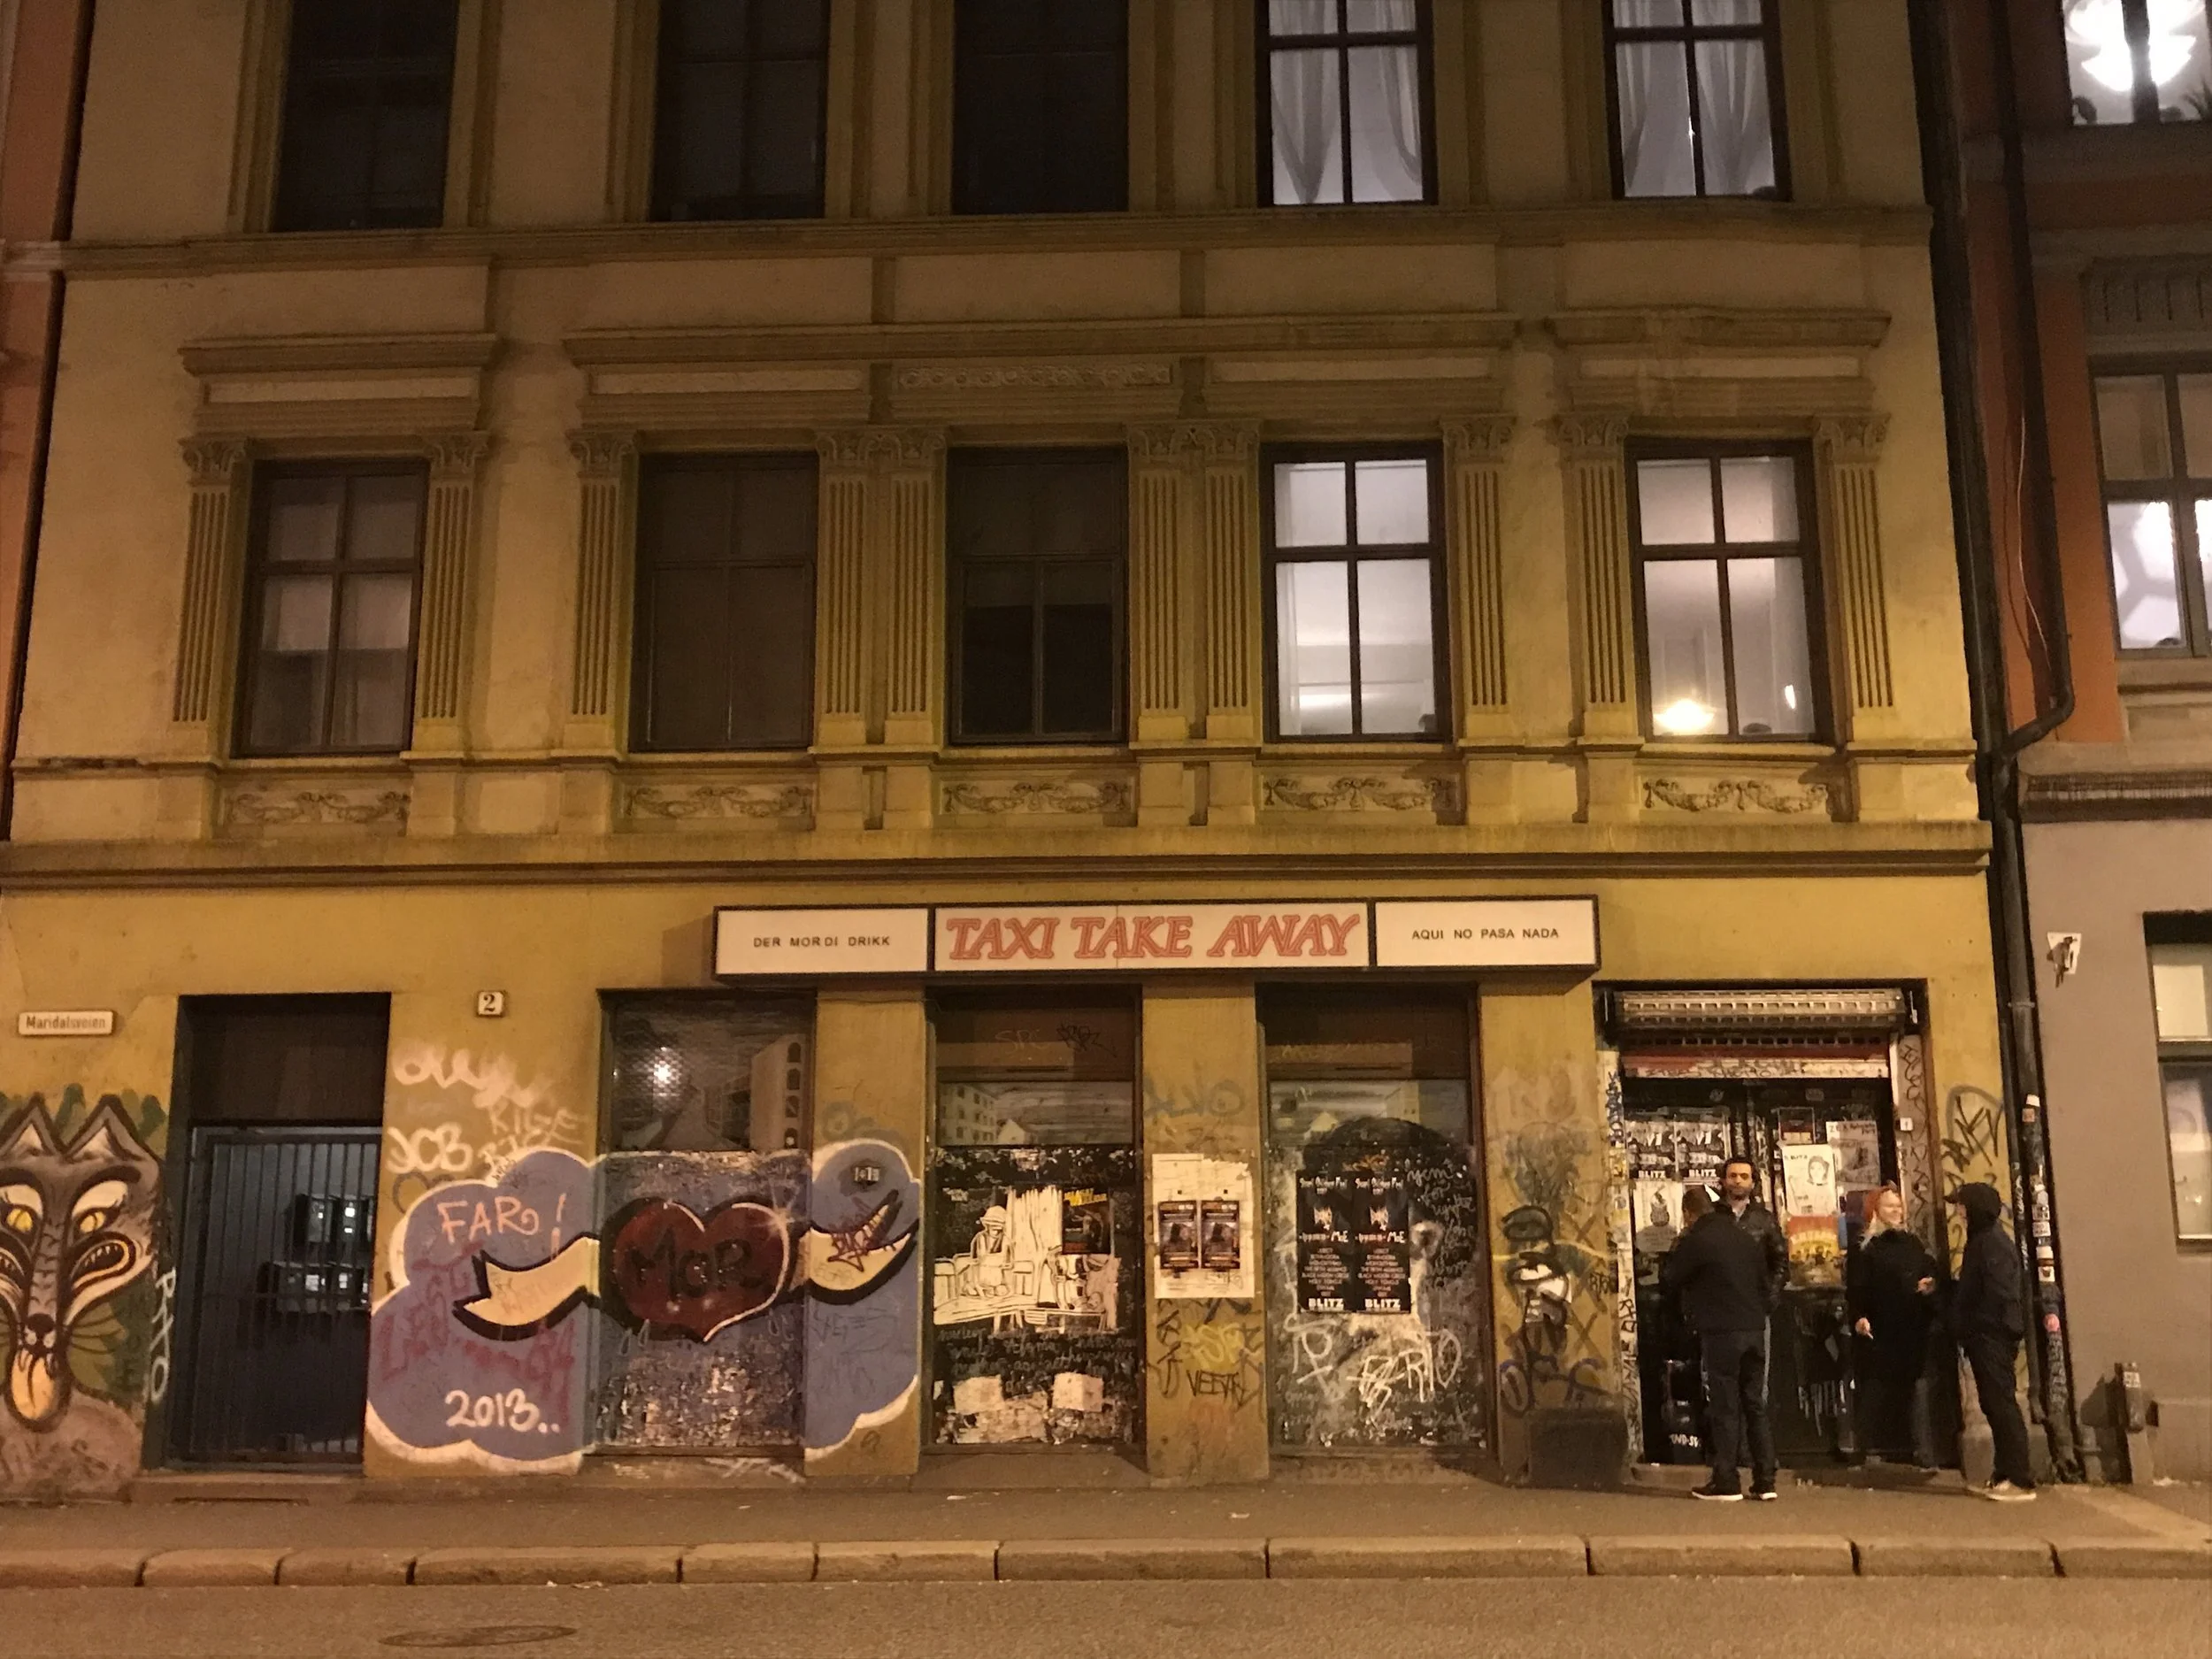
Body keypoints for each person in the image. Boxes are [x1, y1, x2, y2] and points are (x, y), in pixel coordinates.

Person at [1663, 1175, 1779, 1502]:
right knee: (1754, 1403)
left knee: (1725, 1404)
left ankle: (1726, 1480)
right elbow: (1764, 1280)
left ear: (1688, 1213)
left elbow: (1672, 1277)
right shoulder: (1743, 1237)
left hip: (1722, 1330)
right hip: (1754, 1327)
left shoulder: (1698, 1239)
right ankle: (1765, 1479)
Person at [1949, 1181, 2036, 1501]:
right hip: (1988, 1333)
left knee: (2001, 1404)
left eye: (1961, 1205)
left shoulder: (1990, 1243)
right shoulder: (1984, 1241)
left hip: (1992, 1335)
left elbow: (1998, 1293)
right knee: (1995, 1403)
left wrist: (1976, 1324)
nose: (1957, 1212)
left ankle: (2020, 1478)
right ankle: (2004, 1474)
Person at [1845, 1185, 1939, 1463]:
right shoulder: (1866, 1246)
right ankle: (1864, 1448)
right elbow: (1857, 1286)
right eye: (1889, 1206)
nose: (1897, 1211)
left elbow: (1927, 1270)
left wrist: (1928, 1285)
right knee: (1876, 1388)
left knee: (1917, 1388)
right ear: (1875, 1210)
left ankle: (1922, 1450)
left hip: (1914, 1326)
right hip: (1882, 1328)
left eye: (1899, 1205)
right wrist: (1859, 1316)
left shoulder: (1912, 1242)